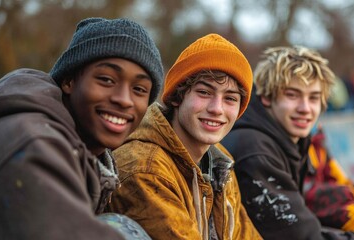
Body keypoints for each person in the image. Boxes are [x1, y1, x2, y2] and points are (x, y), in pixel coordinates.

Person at [0, 17, 163, 240]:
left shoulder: (89, 148)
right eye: (106, 79)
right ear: (69, 81)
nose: (124, 100)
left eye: (139, 89)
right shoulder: (34, 144)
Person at [221, 46, 354, 240]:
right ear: (267, 96)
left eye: (314, 98)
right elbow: (304, 237)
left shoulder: (290, 139)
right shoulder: (256, 151)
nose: (305, 108)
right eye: (292, 95)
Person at [108, 33, 262, 240]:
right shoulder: (145, 169)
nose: (217, 109)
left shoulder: (220, 163)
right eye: (204, 92)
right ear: (178, 96)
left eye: (230, 99)